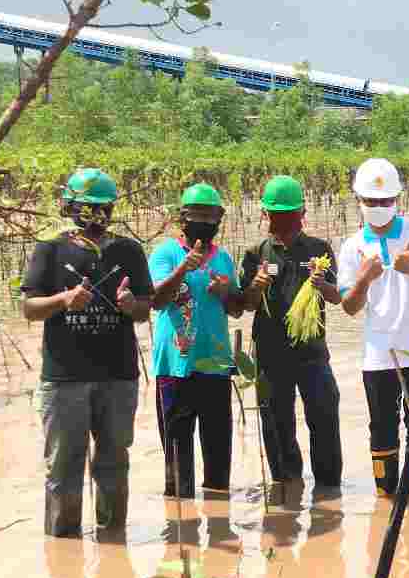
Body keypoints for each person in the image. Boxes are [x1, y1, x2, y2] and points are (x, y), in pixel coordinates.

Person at [21, 168, 153, 537]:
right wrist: (65, 299)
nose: (96, 215)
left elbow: (145, 309)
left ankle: (114, 544)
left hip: (118, 377)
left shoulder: (128, 250)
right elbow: (29, 309)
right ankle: (64, 549)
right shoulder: (50, 248)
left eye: (102, 208)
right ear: (70, 207)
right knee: (63, 470)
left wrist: (130, 304)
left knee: (113, 466)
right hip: (64, 378)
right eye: (87, 207)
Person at [338, 158, 409, 500]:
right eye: (372, 202)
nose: (379, 207)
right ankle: (386, 497)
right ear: (359, 202)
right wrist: (364, 280)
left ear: (397, 199)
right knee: (381, 426)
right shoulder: (352, 246)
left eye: (385, 201)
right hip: (379, 353)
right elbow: (350, 307)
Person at [238, 175, 343, 494]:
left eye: (288, 215)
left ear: (301, 214)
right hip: (270, 354)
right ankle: (286, 485)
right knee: (276, 424)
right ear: (265, 215)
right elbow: (245, 304)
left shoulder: (318, 250)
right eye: (275, 215)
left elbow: (336, 297)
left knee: (324, 417)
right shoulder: (257, 252)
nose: (280, 222)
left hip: (312, 352)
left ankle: (328, 489)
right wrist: (255, 286)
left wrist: (320, 282)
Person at [148, 183, 244, 500]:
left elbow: (236, 308)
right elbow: (156, 300)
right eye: (197, 215)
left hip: (214, 364)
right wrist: (182, 268)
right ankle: (181, 522)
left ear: (219, 218)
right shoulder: (165, 253)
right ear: (183, 218)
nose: (205, 221)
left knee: (218, 461)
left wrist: (225, 291)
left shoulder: (224, 258)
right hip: (174, 366)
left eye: (211, 215)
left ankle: (219, 521)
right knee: (177, 466)